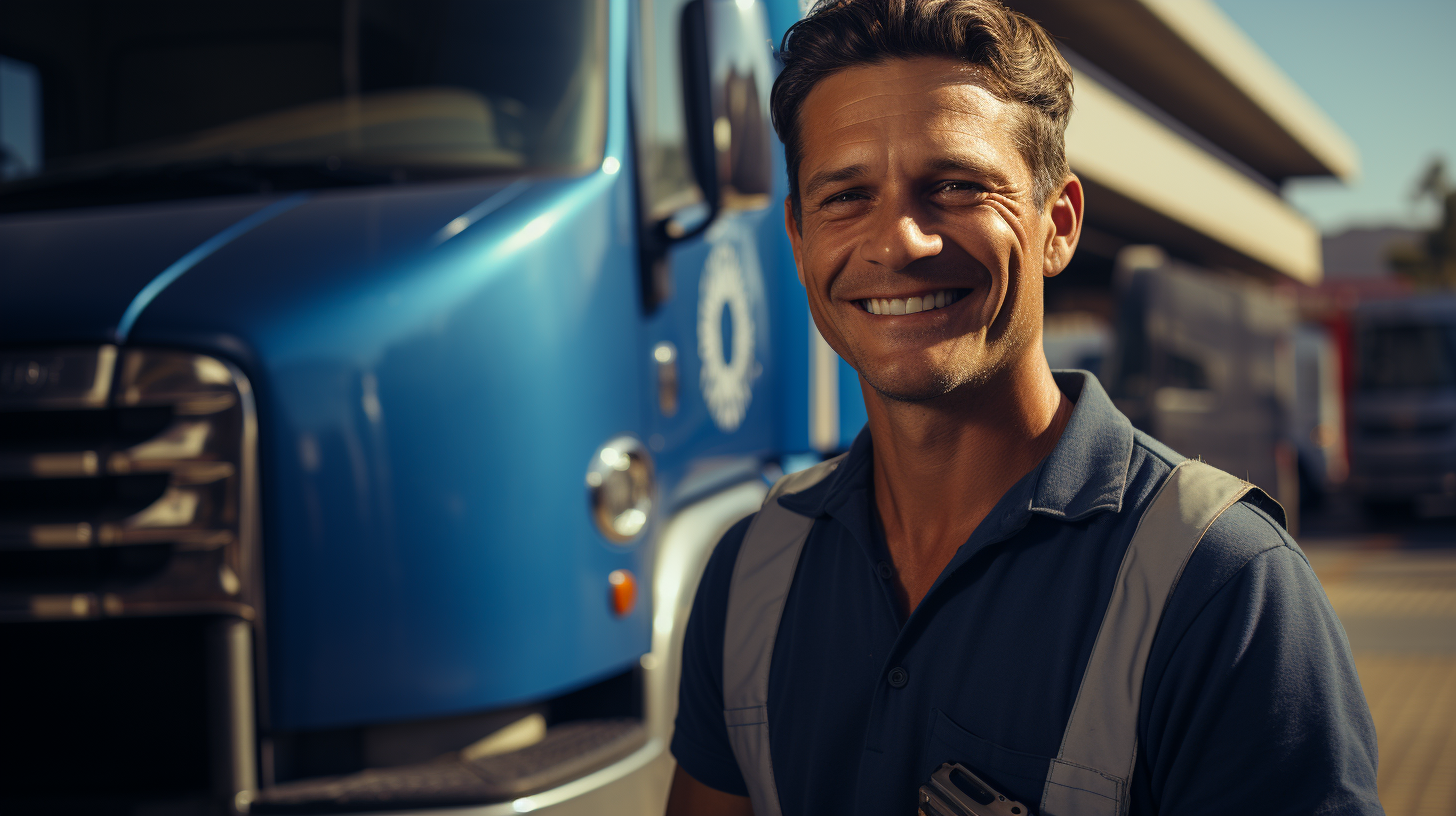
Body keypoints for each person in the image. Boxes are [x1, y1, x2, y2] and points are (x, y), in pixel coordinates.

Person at [665, 1, 1383, 815]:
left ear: (1059, 224)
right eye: (846, 196)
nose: (900, 241)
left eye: (957, 186)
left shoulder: (1226, 590)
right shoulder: (751, 570)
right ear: (797, 238)